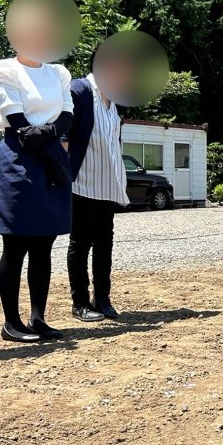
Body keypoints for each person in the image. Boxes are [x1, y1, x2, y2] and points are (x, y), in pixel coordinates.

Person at [0, 0, 75, 343]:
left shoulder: (59, 72)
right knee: (16, 242)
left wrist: (49, 132)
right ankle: (11, 322)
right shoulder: (4, 70)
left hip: (50, 153)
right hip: (19, 156)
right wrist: (44, 133)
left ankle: (38, 318)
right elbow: (17, 119)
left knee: (44, 243)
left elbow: (68, 113)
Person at [65, 48, 130, 322]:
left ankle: (102, 298)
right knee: (80, 243)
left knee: (105, 243)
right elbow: (65, 135)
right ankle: (80, 302)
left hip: (107, 184)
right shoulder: (80, 90)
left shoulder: (113, 102)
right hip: (82, 182)